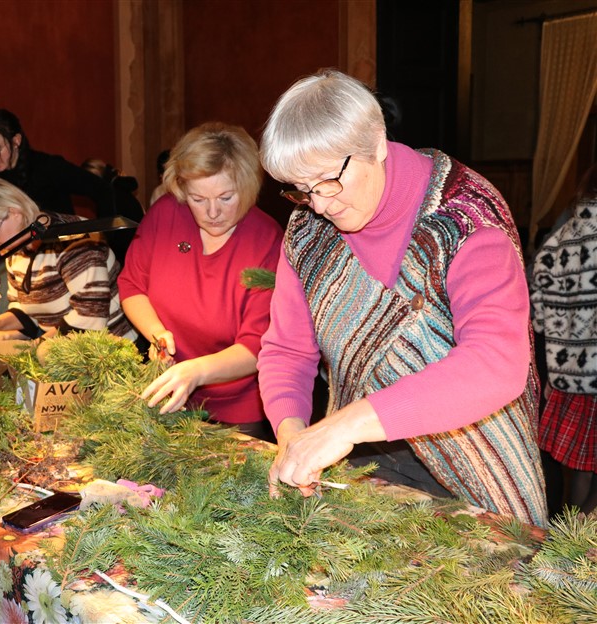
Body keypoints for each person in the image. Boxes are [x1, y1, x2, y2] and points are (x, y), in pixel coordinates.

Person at [258, 69, 547, 527]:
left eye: (328, 181)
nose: (319, 205)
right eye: (301, 189)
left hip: (480, 468)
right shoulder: (309, 231)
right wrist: (292, 432)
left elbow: (496, 362)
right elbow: (287, 350)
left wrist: (344, 425)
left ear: (376, 143)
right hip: (361, 469)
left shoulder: (464, 217)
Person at [117, 122, 283, 442]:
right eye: (197, 199)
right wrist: (158, 335)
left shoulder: (267, 242)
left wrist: (196, 372)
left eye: (225, 197)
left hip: (234, 413)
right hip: (165, 395)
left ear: (248, 186)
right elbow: (132, 285)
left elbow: (256, 347)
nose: (212, 212)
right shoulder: (166, 214)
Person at [0, 178, 138, 345]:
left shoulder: (75, 237)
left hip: (114, 350)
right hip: (63, 350)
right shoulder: (15, 251)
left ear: (14, 213)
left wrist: (38, 345)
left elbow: (89, 317)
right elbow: (27, 312)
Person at [530, 163, 597, 515]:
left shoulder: (560, 237)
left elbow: (538, 312)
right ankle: (570, 558)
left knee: (579, 476)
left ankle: (563, 551)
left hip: (566, 377)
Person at [0, 108, 115, 217]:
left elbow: (100, 189)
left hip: (62, 251)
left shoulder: (49, 167)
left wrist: (103, 238)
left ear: (16, 140)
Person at [81, 157, 145, 266]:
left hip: (127, 256)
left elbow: (108, 232)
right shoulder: (119, 189)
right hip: (138, 248)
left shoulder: (108, 196)